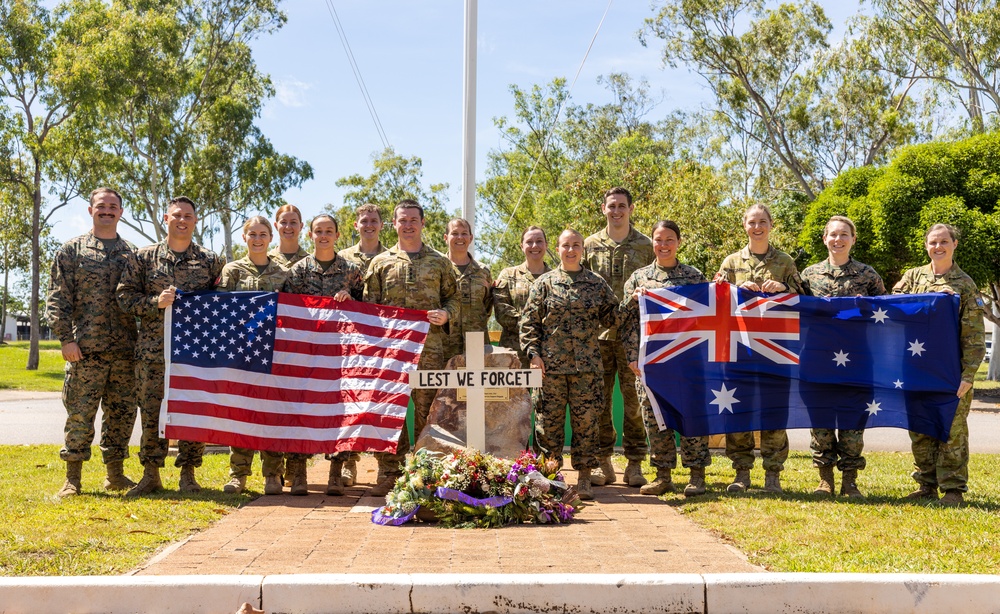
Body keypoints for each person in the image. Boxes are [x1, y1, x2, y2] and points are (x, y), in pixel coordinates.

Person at [117, 196, 224, 496]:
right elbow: (124, 298)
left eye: (188, 216)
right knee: (152, 412)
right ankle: (151, 474)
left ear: (195, 220)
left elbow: (222, 301)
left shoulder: (210, 260)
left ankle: (188, 474)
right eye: (177, 215)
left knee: (193, 410)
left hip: (194, 352)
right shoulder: (143, 258)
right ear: (166, 218)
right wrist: (155, 302)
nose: (182, 220)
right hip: (153, 352)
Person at [46, 187, 138, 498]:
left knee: (122, 415)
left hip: (125, 351)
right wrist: (66, 340)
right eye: (102, 206)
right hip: (84, 351)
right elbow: (58, 299)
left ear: (121, 212)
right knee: (80, 415)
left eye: (113, 206)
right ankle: (73, 479)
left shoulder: (132, 254)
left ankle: (115, 475)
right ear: (90, 210)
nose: (107, 211)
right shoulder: (71, 251)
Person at [364, 199, 458, 496]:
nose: (408, 225)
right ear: (394, 223)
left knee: (429, 412)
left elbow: (453, 299)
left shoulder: (440, 262)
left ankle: (426, 471)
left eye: (413, 220)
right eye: (402, 220)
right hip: (391, 353)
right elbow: (369, 307)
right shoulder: (380, 263)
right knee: (389, 411)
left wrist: (447, 314)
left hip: (430, 349)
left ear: (422, 223)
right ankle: (390, 471)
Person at [714, 203, 806, 494]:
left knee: (773, 410)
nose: (757, 227)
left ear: (771, 224)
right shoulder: (731, 262)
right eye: (752, 222)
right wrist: (735, 290)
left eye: (762, 221)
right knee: (738, 408)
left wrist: (782, 288)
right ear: (744, 225)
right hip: (738, 348)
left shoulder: (785, 261)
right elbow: (715, 296)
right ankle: (742, 472)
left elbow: (804, 299)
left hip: (775, 348)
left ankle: (773, 474)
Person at [521, 228, 619, 500]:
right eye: (566, 245)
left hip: (586, 370)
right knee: (548, 425)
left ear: (583, 249)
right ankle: (551, 478)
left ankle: (585, 477)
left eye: (576, 245)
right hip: (550, 369)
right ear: (558, 248)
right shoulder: (545, 283)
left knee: (586, 424)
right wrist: (533, 354)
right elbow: (528, 323)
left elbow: (613, 317)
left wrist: (636, 302)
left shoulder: (596, 283)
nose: (571, 250)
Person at [892, 223, 985, 506]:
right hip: (916, 368)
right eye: (933, 242)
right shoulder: (912, 277)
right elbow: (892, 305)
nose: (938, 247)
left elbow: (974, 335)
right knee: (921, 428)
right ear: (926, 246)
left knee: (951, 430)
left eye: (944, 241)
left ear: (954, 244)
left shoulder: (964, 284)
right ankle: (926, 485)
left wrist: (968, 375)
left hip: (950, 372)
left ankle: (953, 489)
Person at [620, 220, 711, 497]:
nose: (663, 245)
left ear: (679, 242)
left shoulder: (694, 277)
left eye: (669, 239)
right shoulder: (639, 278)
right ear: (652, 243)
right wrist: (632, 357)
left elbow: (708, 317)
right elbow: (624, 321)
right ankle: (663, 475)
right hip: (651, 362)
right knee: (655, 418)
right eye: (658, 240)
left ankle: (696, 475)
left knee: (692, 415)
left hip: (687, 361)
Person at [800, 216, 886, 499]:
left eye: (844, 235)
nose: (838, 240)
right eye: (833, 235)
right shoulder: (808, 275)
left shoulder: (868, 275)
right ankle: (825, 481)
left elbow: (887, 312)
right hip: (817, 359)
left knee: (853, 423)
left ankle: (850, 481)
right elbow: (792, 309)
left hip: (858, 361)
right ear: (824, 238)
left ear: (853, 239)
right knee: (820, 423)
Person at [281, 214, 364, 496]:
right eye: (319, 231)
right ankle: (299, 472)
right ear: (311, 235)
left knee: (338, 410)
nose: (324, 235)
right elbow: (287, 310)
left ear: (338, 235)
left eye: (329, 231)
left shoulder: (352, 271)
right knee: (301, 409)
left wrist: (351, 300)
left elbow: (367, 311)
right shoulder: (298, 271)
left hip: (340, 353)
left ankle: (335, 473)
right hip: (306, 351)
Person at [584, 187, 654, 488]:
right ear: (603, 209)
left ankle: (635, 464)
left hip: (634, 336)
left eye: (622, 206)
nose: (617, 211)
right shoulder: (588, 245)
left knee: (634, 402)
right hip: (597, 337)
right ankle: (604, 463)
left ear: (631, 208)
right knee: (598, 402)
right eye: (611, 206)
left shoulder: (646, 245)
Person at [215, 216, 290, 496]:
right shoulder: (232, 270)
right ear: (244, 237)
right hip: (241, 353)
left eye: (262, 234)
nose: (257, 239)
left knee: (272, 413)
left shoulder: (283, 274)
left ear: (270, 237)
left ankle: (273, 474)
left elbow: (294, 313)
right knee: (242, 412)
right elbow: (220, 309)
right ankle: (238, 475)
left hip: (273, 352)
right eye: (252, 234)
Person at [335, 203, 388, 488]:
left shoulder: (392, 256)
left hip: (383, 340)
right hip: (350, 340)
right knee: (350, 401)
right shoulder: (342, 258)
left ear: (382, 225)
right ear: (356, 225)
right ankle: (347, 462)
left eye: (374, 220)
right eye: (364, 221)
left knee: (381, 401)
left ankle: (384, 465)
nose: (369, 225)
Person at [494, 226, 551, 367]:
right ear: (521, 246)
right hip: (513, 351)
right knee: (513, 390)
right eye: (529, 242)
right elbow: (502, 311)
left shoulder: (555, 277)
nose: (534, 246)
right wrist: (531, 326)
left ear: (546, 245)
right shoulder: (508, 275)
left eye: (539, 241)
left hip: (548, 351)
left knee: (546, 390)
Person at [442, 218, 493, 362]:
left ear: (471, 238)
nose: (460, 237)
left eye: (464, 233)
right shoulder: (438, 269)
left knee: (476, 384)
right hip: (446, 345)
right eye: (455, 233)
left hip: (477, 344)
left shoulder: (483, 272)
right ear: (446, 238)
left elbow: (487, 307)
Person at [269, 204, 309, 269]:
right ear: (276, 226)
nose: (288, 227)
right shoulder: (265, 260)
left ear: (301, 226)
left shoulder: (310, 261)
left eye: (293, 222)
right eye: (283, 222)